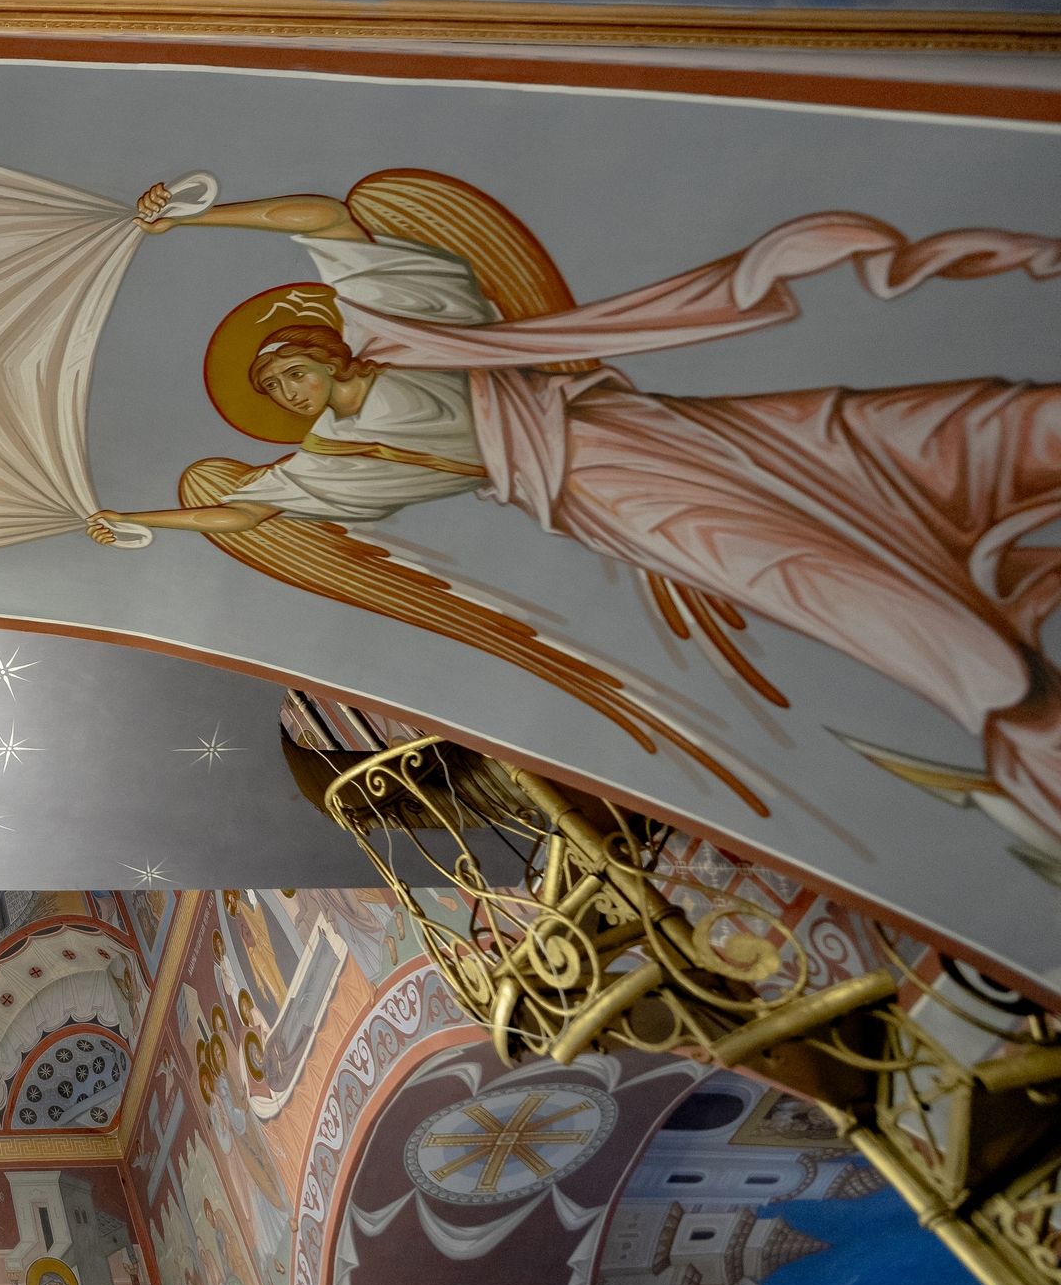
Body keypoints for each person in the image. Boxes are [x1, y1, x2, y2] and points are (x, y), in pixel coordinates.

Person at [93, 180, 1061, 852]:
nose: (291, 392)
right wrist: (129, 521)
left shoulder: (395, 324)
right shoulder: (336, 461)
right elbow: (246, 515)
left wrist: (196, 218)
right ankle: (992, 690)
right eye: (276, 392)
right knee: (779, 563)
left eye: (290, 369)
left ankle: (1015, 457)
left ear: (319, 345)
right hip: (589, 492)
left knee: (847, 439)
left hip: (616, 424)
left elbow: (324, 215)